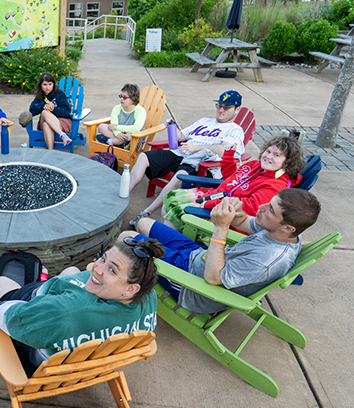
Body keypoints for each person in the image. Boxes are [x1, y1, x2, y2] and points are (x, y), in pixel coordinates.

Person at [0, 240, 163, 376]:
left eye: (112, 270)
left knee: (0, 281)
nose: (97, 268)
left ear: (131, 289)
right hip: (85, 353)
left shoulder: (67, 311)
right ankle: (46, 282)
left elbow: (16, 320)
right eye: (102, 259)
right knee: (71, 272)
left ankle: (39, 282)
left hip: (41, 338)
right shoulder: (148, 297)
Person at [127, 188, 321, 315]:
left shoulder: (268, 260)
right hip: (199, 255)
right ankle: (140, 260)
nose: (261, 208)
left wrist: (221, 228)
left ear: (288, 227)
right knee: (143, 223)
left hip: (194, 285)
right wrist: (234, 211)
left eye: (270, 209)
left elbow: (213, 278)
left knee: (126, 238)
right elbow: (245, 222)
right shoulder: (282, 231)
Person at [127, 90, 246, 227]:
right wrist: (172, 126)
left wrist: (197, 147)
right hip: (180, 153)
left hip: (198, 162)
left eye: (226, 108)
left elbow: (227, 149)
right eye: (219, 106)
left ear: (237, 110)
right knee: (143, 156)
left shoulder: (235, 130)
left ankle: (147, 212)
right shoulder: (205, 121)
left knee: (179, 177)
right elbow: (180, 137)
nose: (220, 110)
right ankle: (125, 196)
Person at [163, 135, 306, 231]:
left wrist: (208, 204)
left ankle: (170, 243)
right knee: (170, 198)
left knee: (175, 212)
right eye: (268, 151)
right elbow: (231, 178)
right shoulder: (255, 166)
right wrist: (229, 157)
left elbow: (248, 207)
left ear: (287, 162)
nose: (268, 157)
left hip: (223, 217)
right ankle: (170, 235)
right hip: (213, 198)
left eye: (276, 155)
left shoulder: (275, 186)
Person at [28, 72, 73, 148]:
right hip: (45, 121)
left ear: (53, 84)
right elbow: (32, 110)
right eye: (45, 84)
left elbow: (66, 112)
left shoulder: (59, 94)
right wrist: (43, 106)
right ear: (41, 85)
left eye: (50, 84)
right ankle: (62, 135)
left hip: (62, 123)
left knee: (46, 124)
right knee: (45, 112)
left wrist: (53, 109)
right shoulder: (40, 96)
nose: (47, 87)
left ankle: (50, 151)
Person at [95, 83, 147, 149]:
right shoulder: (117, 108)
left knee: (131, 136)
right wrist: (118, 134)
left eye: (125, 97)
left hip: (133, 137)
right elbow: (113, 126)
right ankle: (120, 143)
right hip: (119, 134)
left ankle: (110, 141)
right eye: (121, 96)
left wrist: (118, 127)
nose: (121, 99)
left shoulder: (140, 111)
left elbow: (136, 128)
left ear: (133, 98)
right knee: (101, 127)